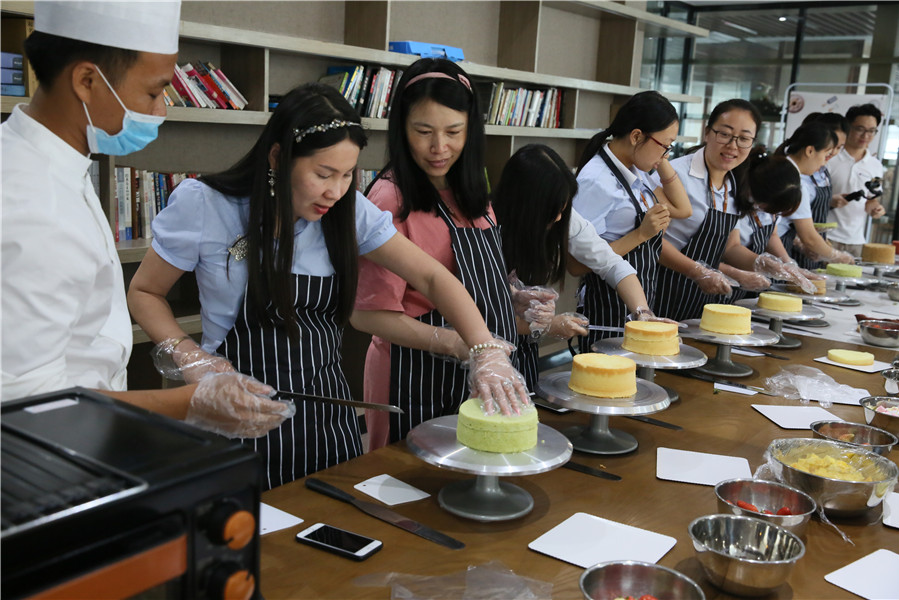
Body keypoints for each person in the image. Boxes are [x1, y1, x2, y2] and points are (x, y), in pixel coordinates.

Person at [128, 82, 527, 488]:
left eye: (348, 174)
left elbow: (431, 275)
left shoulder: (350, 213)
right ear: (278, 157)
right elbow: (145, 293)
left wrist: (483, 349)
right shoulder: (206, 205)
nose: (335, 191)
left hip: (326, 421)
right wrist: (192, 358)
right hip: (236, 417)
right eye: (323, 174)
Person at [1, 1, 290, 438]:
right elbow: (27, 407)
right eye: (153, 92)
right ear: (86, 80)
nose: (160, 111)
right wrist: (191, 403)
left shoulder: (51, 163)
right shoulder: (31, 206)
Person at [353, 58, 532, 451]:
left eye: (454, 132)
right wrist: (454, 344)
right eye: (423, 132)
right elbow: (367, 313)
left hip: (484, 367)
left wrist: (511, 296)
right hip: (415, 376)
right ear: (402, 129)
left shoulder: (474, 193)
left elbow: (474, 273)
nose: (440, 148)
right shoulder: (389, 198)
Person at [492, 144, 655, 389]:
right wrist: (546, 325)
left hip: (523, 352)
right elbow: (480, 317)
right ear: (525, 204)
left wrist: (642, 313)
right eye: (552, 209)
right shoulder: (484, 228)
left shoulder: (563, 214)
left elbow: (611, 265)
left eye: (563, 207)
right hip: (479, 352)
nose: (559, 217)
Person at [572, 91, 691, 353]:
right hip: (607, 308)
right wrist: (641, 234)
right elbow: (575, 264)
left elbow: (683, 208)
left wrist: (662, 162)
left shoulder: (635, 168)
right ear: (636, 136)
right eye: (665, 145)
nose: (666, 154)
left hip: (638, 301)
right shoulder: (596, 181)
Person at [650, 99, 771, 322]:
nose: (733, 146)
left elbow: (731, 247)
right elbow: (651, 239)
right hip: (661, 290)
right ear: (707, 133)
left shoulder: (733, 184)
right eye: (725, 134)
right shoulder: (674, 175)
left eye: (743, 139)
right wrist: (697, 271)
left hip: (704, 299)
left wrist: (766, 264)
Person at [722, 152, 820, 303]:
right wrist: (764, 264)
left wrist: (788, 264)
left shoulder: (769, 203)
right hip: (723, 276)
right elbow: (732, 248)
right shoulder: (732, 198)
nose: (768, 213)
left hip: (748, 283)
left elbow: (771, 235)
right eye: (765, 207)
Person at [777, 122, 855, 265]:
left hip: (776, 244)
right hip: (761, 249)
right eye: (826, 155)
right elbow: (809, 237)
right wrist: (837, 256)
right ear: (810, 151)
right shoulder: (795, 181)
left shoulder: (786, 169)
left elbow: (776, 224)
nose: (824, 164)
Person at [826, 103, 886, 257]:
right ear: (848, 127)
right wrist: (829, 201)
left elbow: (871, 199)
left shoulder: (875, 166)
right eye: (860, 129)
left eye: (872, 131)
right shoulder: (830, 157)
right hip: (826, 237)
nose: (866, 136)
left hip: (856, 241)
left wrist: (876, 208)